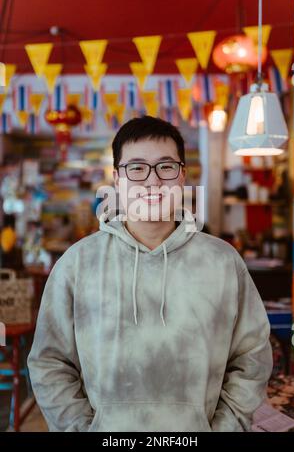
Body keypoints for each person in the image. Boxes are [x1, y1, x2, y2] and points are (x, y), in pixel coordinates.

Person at [28, 115, 273, 432]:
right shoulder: (77, 263)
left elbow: (252, 356)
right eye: (137, 168)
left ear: (182, 176)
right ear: (117, 179)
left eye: (166, 167)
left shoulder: (223, 261)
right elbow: (49, 362)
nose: (153, 181)